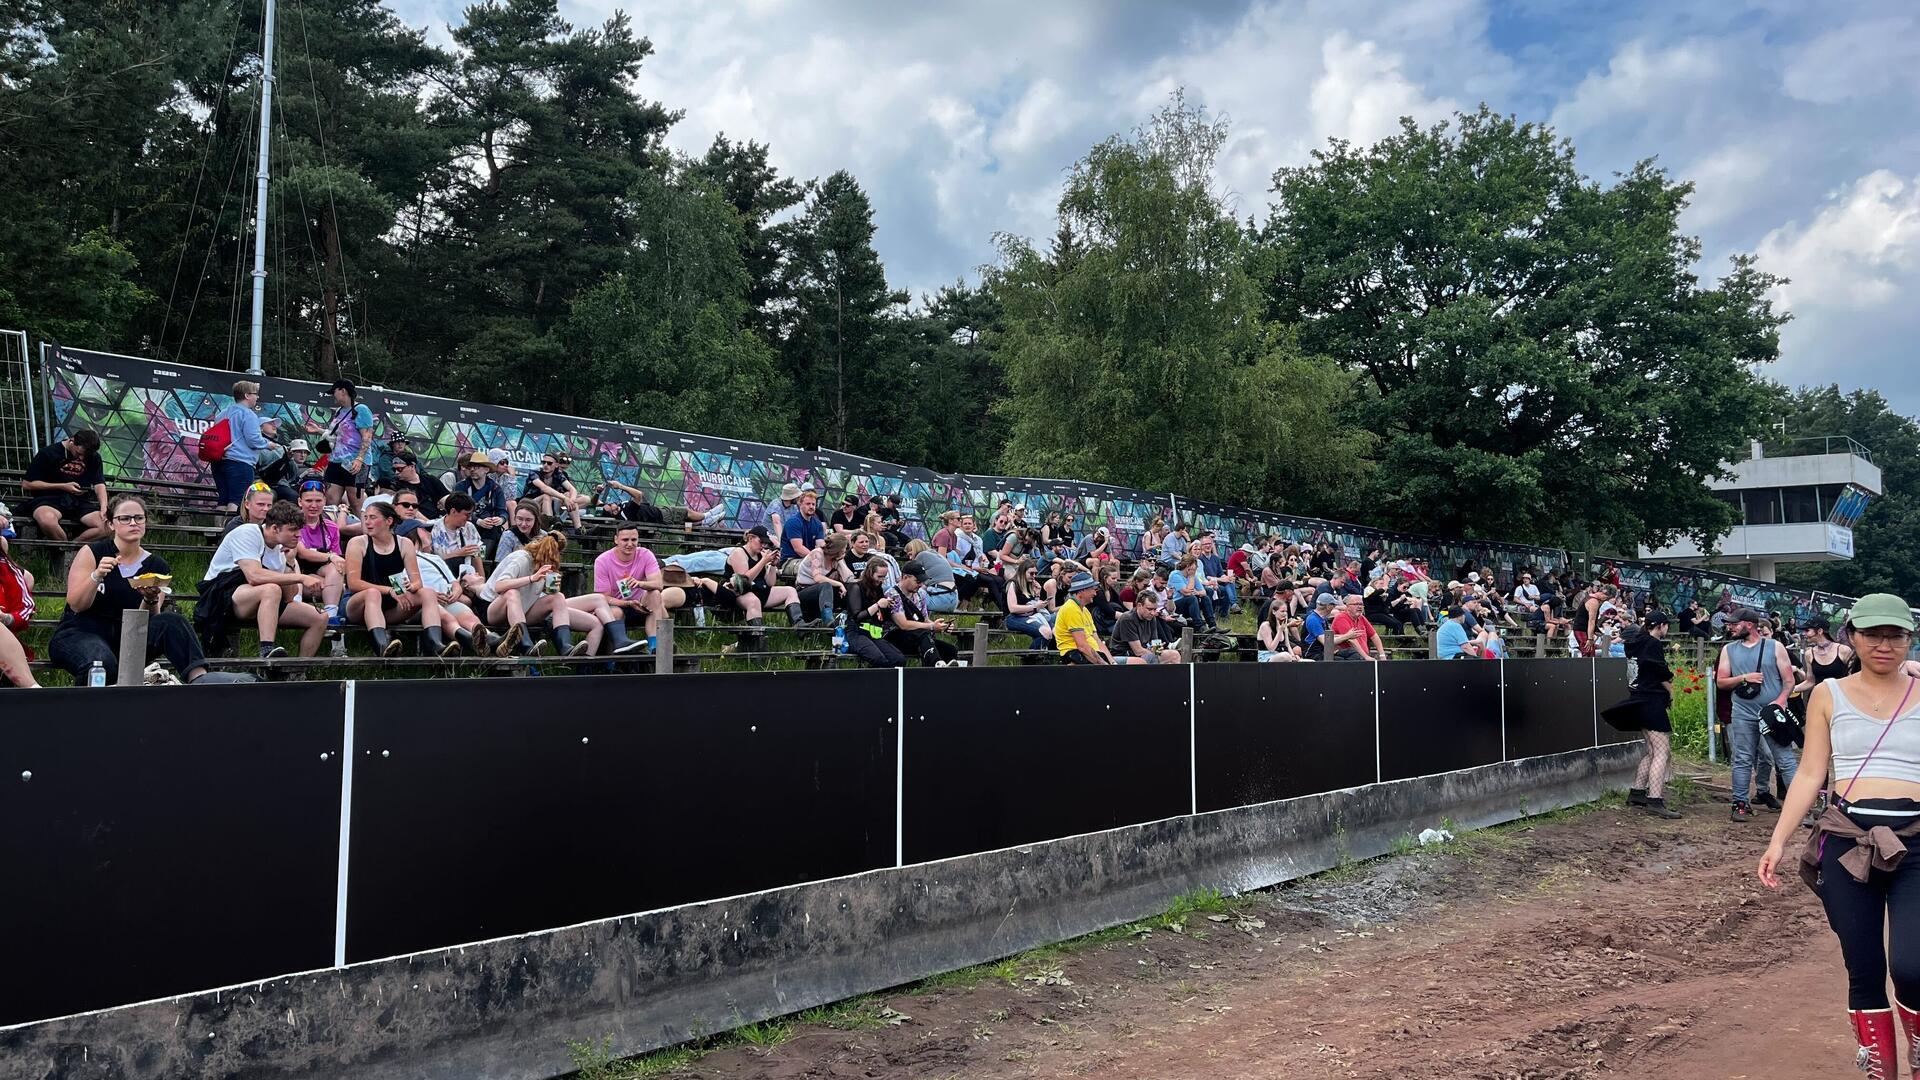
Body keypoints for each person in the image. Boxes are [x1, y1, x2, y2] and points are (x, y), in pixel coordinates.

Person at [1757, 595, 1920, 1078]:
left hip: (1915, 841)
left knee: (1913, 967)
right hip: (1848, 843)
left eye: (1896, 635)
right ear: (1852, 636)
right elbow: (1810, 773)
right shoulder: (1828, 696)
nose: (1884, 645)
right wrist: (1778, 840)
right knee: (1863, 966)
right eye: (1873, 634)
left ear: (1909, 639)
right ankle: (1880, 1069)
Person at [49, 495, 211, 684]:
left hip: (128, 636)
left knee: (172, 621)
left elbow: (148, 620)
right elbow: (76, 605)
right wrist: (96, 576)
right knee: (101, 662)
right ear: (111, 524)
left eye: (139, 518)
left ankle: (201, 680)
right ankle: (90, 710)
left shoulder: (157, 565)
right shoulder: (93, 552)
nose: (133, 523)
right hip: (81, 632)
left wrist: (150, 598)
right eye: (125, 518)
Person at [198, 500, 327, 660]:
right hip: (221, 594)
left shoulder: (279, 549)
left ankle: (298, 669)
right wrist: (301, 577)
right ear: (274, 528)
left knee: (320, 617)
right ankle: (267, 651)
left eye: (299, 530)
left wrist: (290, 562)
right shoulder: (248, 533)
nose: (298, 535)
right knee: (271, 589)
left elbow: (289, 598)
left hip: (259, 599)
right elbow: (254, 576)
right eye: (293, 530)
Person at [1719, 607, 1800, 821]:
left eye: (1735, 624)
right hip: (1742, 711)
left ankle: (1800, 806)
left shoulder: (1775, 646)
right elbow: (1721, 682)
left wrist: (1781, 700)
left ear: (1749, 625)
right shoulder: (1729, 649)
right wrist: (1744, 678)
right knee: (1742, 758)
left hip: (1771, 713)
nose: (1730, 627)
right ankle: (1740, 804)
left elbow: (1789, 680)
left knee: (1784, 758)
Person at [344, 500, 449, 658]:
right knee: (373, 593)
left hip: (392, 605)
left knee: (427, 592)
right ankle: (381, 646)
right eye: (366, 518)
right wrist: (389, 590)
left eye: (373, 517)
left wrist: (410, 587)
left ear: (389, 521)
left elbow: (417, 582)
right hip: (359, 604)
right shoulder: (357, 543)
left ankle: (434, 644)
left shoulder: (404, 543)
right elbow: (353, 583)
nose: (367, 522)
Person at [593, 522, 684, 652]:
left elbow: (658, 584)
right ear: (616, 540)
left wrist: (640, 583)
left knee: (655, 594)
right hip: (616, 606)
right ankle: (614, 655)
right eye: (625, 540)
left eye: (633, 540)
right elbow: (603, 597)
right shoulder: (602, 561)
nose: (630, 544)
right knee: (615, 612)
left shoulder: (645, 554)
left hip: (640, 604)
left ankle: (654, 644)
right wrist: (628, 603)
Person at [22, 429, 109, 543]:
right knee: (46, 519)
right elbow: (27, 484)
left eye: (85, 455)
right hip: (48, 500)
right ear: (71, 441)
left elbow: (99, 484)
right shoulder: (47, 453)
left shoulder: (94, 457)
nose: (81, 458)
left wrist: (104, 507)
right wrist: (62, 486)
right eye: (79, 454)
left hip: (79, 501)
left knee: (109, 525)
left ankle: (74, 546)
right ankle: (64, 547)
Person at [303, 379, 374, 516]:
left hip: (356, 463)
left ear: (343, 391)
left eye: (334, 392)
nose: (333, 396)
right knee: (330, 500)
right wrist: (318, 430)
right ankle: (331, 531)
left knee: (355, 501)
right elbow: (337, 437)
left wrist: (359, 459)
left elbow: (367, 437)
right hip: (336, 461)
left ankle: (365, 533)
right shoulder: (339, 411)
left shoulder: (361, 410)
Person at [212, 380, 279, 512]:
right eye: (255, 394)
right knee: (237, 500)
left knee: (223, 499)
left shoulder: (222, 413)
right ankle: (231, 530)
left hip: (218, 461)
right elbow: (253, 440)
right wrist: (268, 444)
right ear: (247, 396)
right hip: (240, 462)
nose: (257, 397)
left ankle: (217, 531)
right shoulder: (248, 414)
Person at [292, 481, 348, 628]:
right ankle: (298, 607)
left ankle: (331, 616)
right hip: (297, 576)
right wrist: (330, 556)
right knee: (337, 584)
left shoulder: (331, 527)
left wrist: (333, 560)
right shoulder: (292, 523)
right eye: (309, 501)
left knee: (337, 567)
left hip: (322, 576)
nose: (313, 505)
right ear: (300, 501)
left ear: (325, 501)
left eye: (318, 501)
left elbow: (338, 561)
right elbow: (302, 553)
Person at [884, 562, 961, 667]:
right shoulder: (892, 595)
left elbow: (925, 620)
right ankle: (936, 664)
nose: (921, 585)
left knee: (950, 650)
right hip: (896, 637)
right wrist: (932, 626)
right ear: (905, 577)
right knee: (923, 633)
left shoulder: (921, 594)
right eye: (918, 581)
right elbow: (903, 624)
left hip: (918, 637)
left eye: (922, 582)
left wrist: (941, 626)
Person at [1056, 572, 1116, 665]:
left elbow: (1098, 641)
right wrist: (1105, 665)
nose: (1095, 593)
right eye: (1092, 589)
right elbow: (1083, 647)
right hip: (1077, 655)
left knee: (1138, 662)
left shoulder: (1085, 610)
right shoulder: (1071, 608)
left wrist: (1112, 663)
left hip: (1093, 655)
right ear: (1081, 591)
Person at [429, 493, 487, 589]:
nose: (470, 518)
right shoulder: (433, 529)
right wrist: (457, 553)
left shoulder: (469, 527)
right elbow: (430, 561)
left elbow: (477, 556)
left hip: (468, 578)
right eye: (467, 514)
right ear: (453, 511)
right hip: (443, 579)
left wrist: (482, 581)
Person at [794, 532, 849, 627]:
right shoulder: (817, 554)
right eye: (844, 547)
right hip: (805, 591)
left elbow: (848, 578)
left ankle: (847, 620)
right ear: (838, 548)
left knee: (850, 588)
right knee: (826, 585)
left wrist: (841, 562)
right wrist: (839, 584)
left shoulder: (836, 558)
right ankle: (828, 620)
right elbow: (818, 578)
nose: (845, 550)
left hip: (824, 594)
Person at [1114, 591, 1184, 664]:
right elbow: (1138, 651)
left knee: (1174, 655)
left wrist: (1158, 649)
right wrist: (1155, 651)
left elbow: (1155, 645)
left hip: (1143, 654)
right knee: (1148, 659)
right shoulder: (1127, 619)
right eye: (1149, 609)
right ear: (1139, 605)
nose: (1153, 613)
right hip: (1125, 655)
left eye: (1155, 609)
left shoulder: (1151, 618)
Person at [527, 452, 589, 530]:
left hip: (554, 503)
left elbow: (572, 489)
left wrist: (571, 500)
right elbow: (544, 488)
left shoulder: (558, 474)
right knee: (547, 495)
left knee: (573, 497)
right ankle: (550, 525)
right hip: (531, 503)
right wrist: (564, 498)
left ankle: (579, 529)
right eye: (543, 462)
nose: (546, 465)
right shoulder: (534, 472)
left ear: (556, 465)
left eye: (549, 463)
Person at [1004, 557, 1055, 649]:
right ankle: (1030, 659)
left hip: (1030, 615)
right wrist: (1035, 606)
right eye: (1031, 573)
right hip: (1013, 618)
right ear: (1023, 572)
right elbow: (1012, 608)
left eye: (1035, 573)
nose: (1034, 576)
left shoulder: (1030, 584)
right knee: (1045, 632)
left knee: (1055, 630)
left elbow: (1033, 604)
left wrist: (1037, 594)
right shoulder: (1013, 584)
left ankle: (1044, 656)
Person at [390, 454, 450, 521]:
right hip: (417, 523)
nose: (396, 472)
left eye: (400, 469)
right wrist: (429, 523)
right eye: (394, 469)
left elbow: (445, 499)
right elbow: (411, 510)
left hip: (438, 517)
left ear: (412, 466)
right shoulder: (396, 486)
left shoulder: (430, 479)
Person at [1331, 593, 1387, 662]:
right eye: (1356, 604)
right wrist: (1366, 657)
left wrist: (1382, 655)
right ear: (1347, 606)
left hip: (1362, 658)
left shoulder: (1361, 618)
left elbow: (1374, 636)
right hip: (1349, 660)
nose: (1359, 607)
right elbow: (1351, 640)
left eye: (1361, 604)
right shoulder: (1341, 618)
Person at [258, 438, 313, 503]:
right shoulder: (281, 461)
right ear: (290, 452)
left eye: (305, 452)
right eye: (299, 452)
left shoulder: (309, 468)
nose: (302, 455)